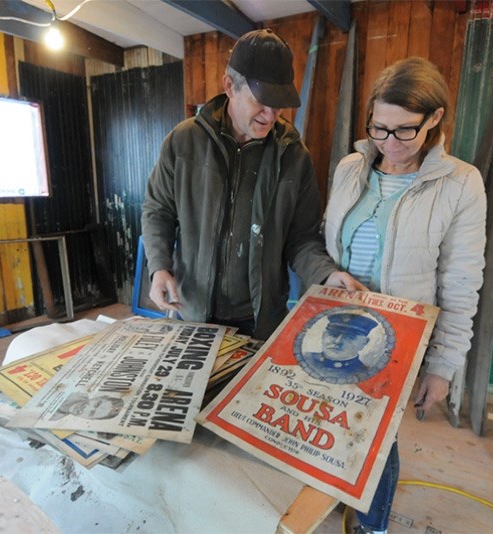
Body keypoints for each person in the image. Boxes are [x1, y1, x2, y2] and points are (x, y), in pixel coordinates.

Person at [323, 57, 486, 533]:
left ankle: (372, 526)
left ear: (434, 119)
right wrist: (331, 274)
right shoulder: (351, 167)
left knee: (377, 441)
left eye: (404, 131)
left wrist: (443, 365)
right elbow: (329, 243)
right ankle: (333, 502)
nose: (389, 144)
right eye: (378, 128)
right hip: (337, 321)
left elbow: (461, 281)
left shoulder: (460, 183)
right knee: (333, 425)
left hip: (398, 337)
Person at [141, 29, 361, 340]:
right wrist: (159, 266)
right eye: (262, 101)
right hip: (193, 312)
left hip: (260, 320)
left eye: (280, 103)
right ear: (229, 86)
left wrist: (326, 274)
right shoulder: (184, 141)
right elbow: (158, 210)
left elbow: (302, 239)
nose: (271, 115)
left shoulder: (294, 156)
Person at [52, 393, 124, 420]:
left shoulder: (54, 418)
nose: (85, 408)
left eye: (91, 413)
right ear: (99, 397)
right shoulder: (76, 391)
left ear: (89, 418)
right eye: (96, 404)